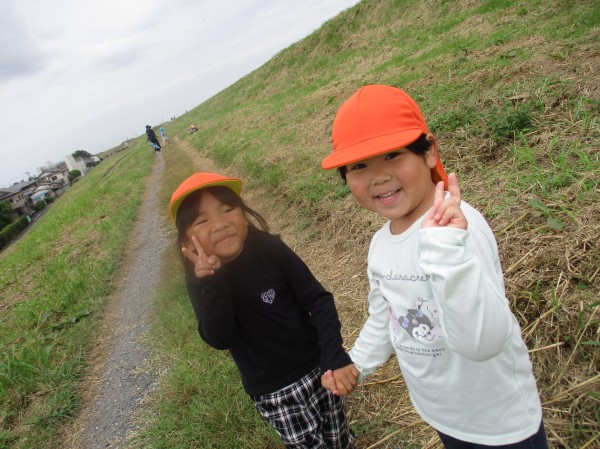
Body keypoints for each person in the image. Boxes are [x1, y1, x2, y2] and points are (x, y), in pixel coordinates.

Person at [320, 85, 548, 449]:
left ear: (429, 152)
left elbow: (484, 342)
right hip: (441, 411)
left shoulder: (458, 230)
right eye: (359, 166)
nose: (379, 176)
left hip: (500, 422)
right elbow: (386, 317)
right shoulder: (381, 244)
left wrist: (447, 256)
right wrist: (357, 363)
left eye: (393, 155)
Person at [169, 172, 355, 449]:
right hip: (274, 391)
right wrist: (212, 282)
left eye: (227, 209)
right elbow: (219, 337)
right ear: (186, 241)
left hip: (318, 367)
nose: (220, 224)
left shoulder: (269, 248)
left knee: (338, 436)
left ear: (244, 214)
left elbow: (318, 300)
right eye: (202, 221)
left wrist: (334, 356)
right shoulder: (201, 280)